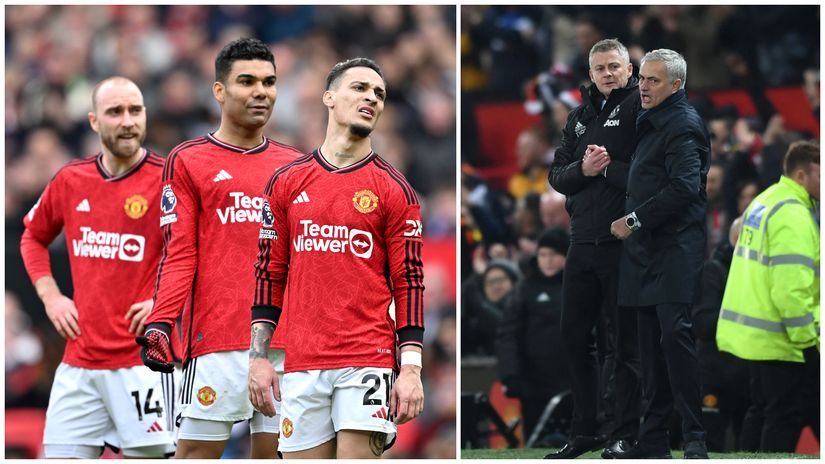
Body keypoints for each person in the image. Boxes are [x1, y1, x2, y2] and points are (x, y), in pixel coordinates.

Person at [246, 57, 425, 459]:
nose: (371, 98)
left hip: (367, 356)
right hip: (303, 360)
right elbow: (269, 273)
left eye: (379, 93)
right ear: (329, 97)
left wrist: (410, 368)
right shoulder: (287, 183)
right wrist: (258, 358)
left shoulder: (395, 190)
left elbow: (409, 283)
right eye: (360, 88)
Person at [136, 38, 302, 459]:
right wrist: (161, 321)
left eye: (269, 82)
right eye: (246, 81)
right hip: (216, 339)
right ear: (219, 90)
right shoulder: (189, 160)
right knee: (194, 453)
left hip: (285, 342)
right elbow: (180, 253)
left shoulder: (296, 165)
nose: (260, 91)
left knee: (276, 456)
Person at [20, 76, 175, 458]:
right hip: (79, 365)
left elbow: (199, 254)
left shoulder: (168, 180)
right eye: (115, 112)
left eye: (135, 111)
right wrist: (51, 296)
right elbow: (32, 238)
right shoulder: (72, 180)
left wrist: (163, 300)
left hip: (143, 363)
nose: (127, 121)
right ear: (93, 121)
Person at [609, 48, 710, 459]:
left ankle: (695, 437)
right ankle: (653, 440)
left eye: (652, 80)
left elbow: (686, 186)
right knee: (649, 346)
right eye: (643, 79)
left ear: (676, 85)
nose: (643, 87)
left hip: (674, 248)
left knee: (674, 338)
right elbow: (646, 177)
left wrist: (633, 220)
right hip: (647, 250)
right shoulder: (650, 120)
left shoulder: (683, 125)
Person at [545, 38, 641, 459]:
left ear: (629, 70)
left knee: (623, 343)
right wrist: (585, 169)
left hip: (622, 242)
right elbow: (556, 176)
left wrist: (606, 172)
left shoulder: (641, 107)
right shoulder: (579, 117)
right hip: (581, 240)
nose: (607, 74)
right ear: (590, 73)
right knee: (573, 337)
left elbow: (647, 171)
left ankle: (626, 432)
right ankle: (586, 431)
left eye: (614, 66)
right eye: (600, 67)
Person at [716, 140, 820, 452]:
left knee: (760, 410)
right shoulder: (794, 215)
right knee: (783, 415)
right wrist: (808, 339)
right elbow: (790, 287)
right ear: (802, 175)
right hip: (782, 336)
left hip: (754, 331)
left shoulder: (765, 201)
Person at [497, 227, 570, 445]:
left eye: (554, 255)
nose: (548, 261)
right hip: (534, 384)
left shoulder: (579, 286)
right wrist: (510, 374)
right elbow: (508, 334)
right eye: (543, 254)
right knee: (536, 443)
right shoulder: (524, 289)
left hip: (575, 381)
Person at [691, 217, 749, 452]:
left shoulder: (754, 273)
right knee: (711, 444)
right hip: (715, 374)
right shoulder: (713, 271)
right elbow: (703, 324)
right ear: (736, 238)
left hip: (746, 374)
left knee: (748, 447)